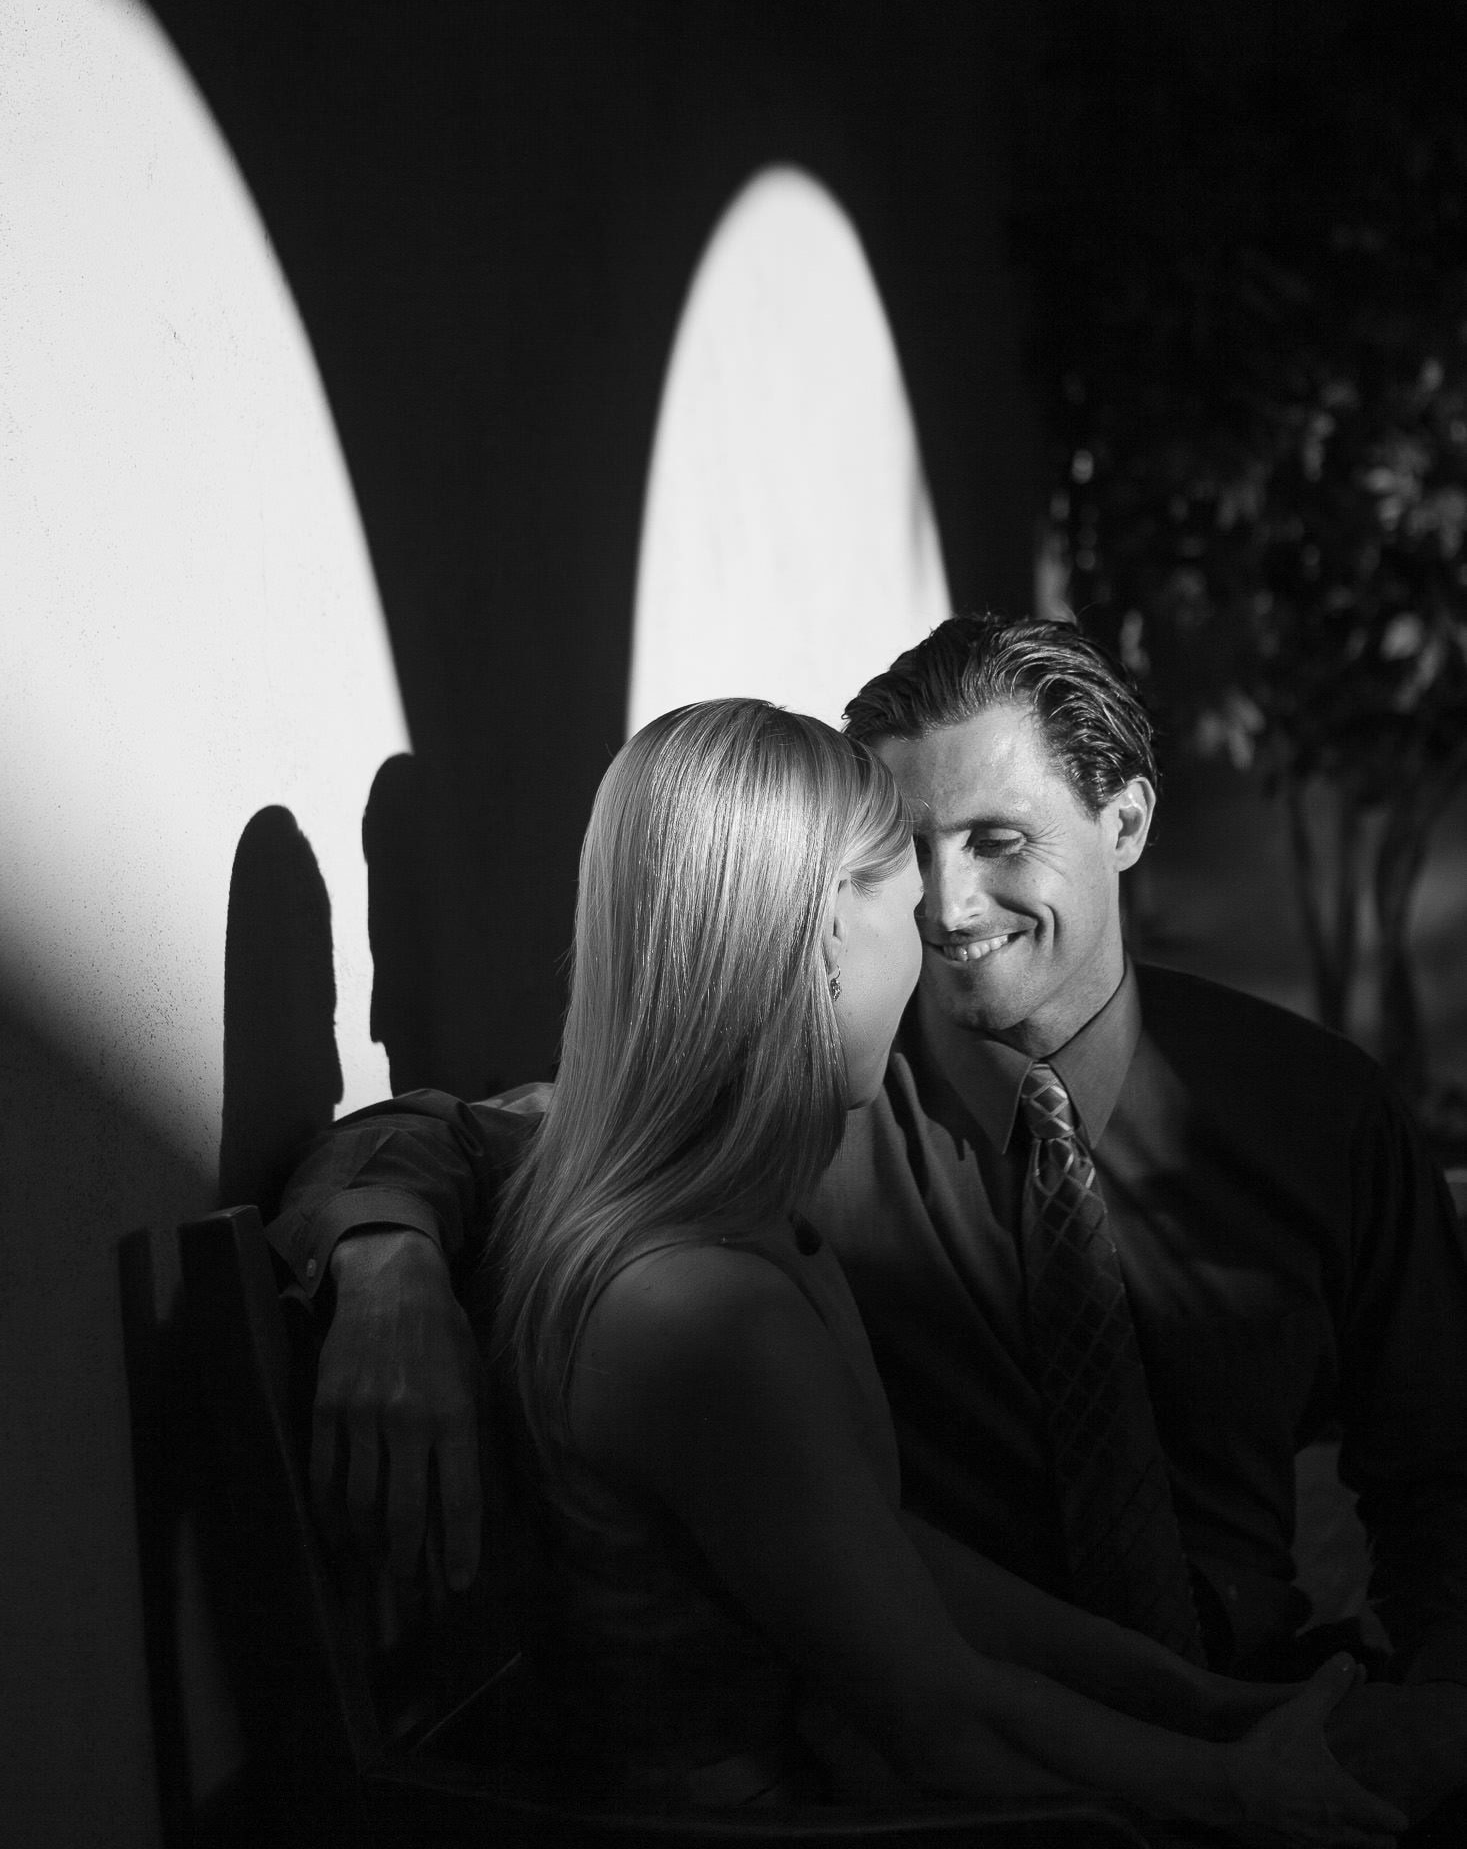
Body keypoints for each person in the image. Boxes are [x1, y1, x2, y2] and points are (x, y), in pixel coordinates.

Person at [268, 615, 1467, 1834]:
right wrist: (386, 1270)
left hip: (1240, 1697)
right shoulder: (776, 1132)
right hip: (971, 1790)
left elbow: (1447, 1474)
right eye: (911, 853)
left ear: (1127, 824)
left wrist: (1409, 1711)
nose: (948, 906)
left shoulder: (1316, 1109)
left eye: (999, 841)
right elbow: (464, 1139)